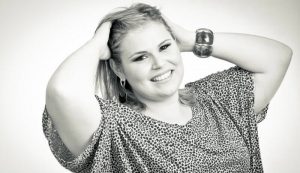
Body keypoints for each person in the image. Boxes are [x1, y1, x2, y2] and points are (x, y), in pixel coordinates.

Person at [42, 3, 292, 173]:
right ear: (119, 69)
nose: (159, 63)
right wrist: (97, 44)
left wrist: (193, 39)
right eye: (140, 57)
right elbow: (62, 92)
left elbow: (277, 57)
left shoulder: (216, 98)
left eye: (164, 47)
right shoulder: (113, 127)